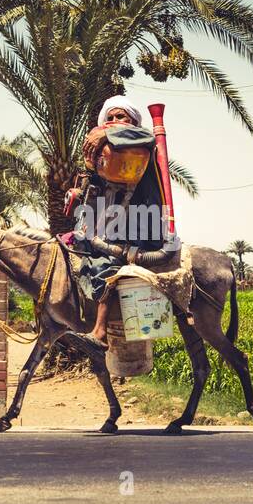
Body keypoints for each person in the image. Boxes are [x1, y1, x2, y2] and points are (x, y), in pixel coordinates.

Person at [72, 96, 155, 345]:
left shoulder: (142, 143)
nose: (115, 121)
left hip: (135, 225)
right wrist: (88, 174)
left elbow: (146, 137)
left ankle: (100, 330)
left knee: (106, 261)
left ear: (132, 120)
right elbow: (97, 189)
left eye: (121, 116)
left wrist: (106, 135)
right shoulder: (105, 154)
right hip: (105, 223)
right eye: (110, 118)